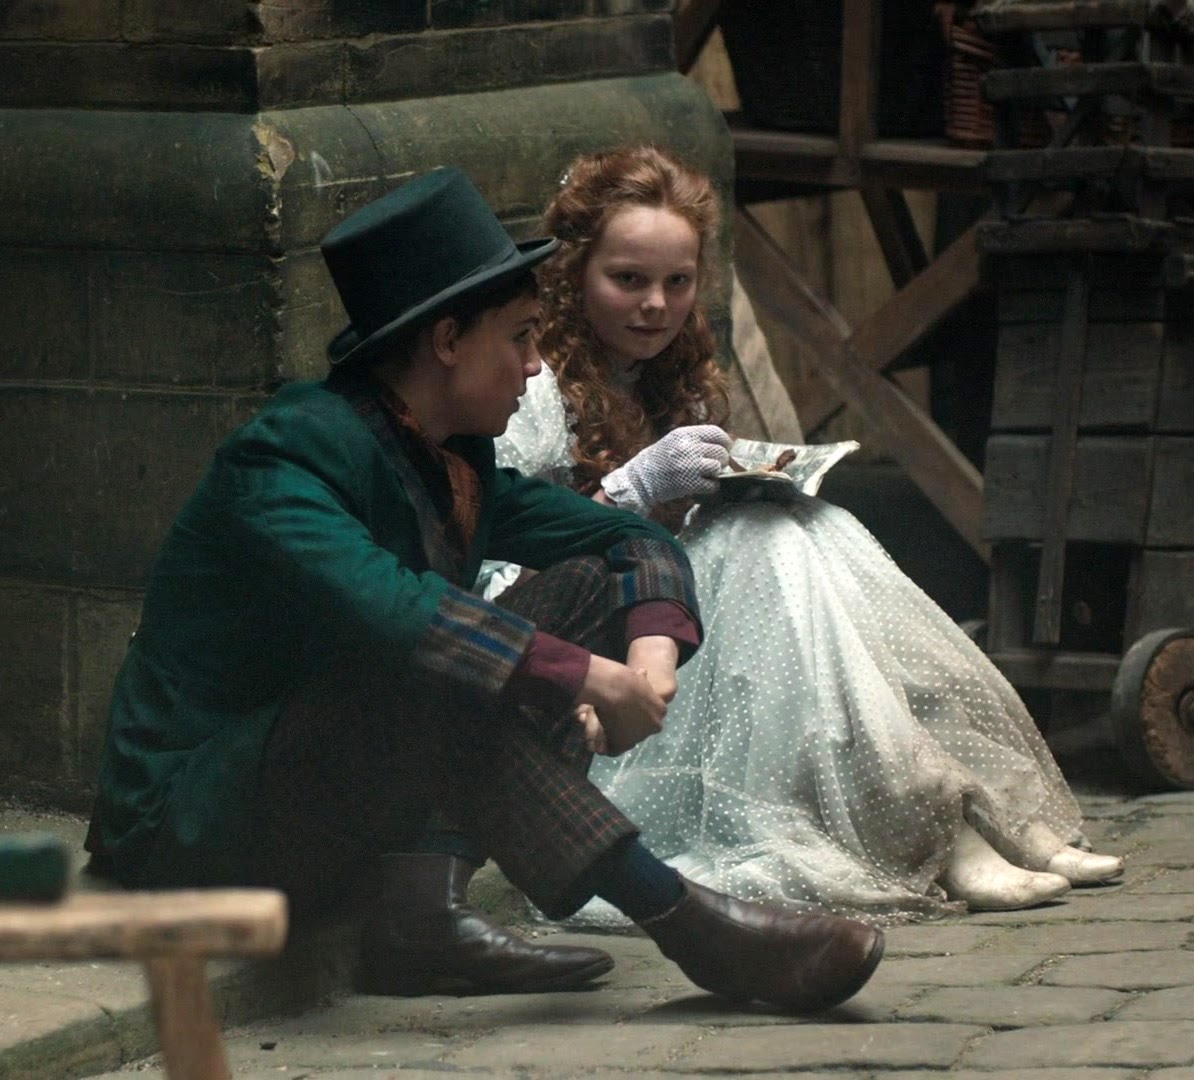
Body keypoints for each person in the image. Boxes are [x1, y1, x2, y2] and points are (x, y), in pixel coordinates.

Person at [82, 166, 885, 1013]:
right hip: (197, 822)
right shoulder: (286, 456)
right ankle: (682, 918)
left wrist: (646, 667)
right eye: (522, 338)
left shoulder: (446, 451)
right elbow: (398, 613)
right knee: (425, 661)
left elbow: (628, 539)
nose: (536, 367)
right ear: (447, 340)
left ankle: (420, 914)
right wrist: (586, 677)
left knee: (574, 589)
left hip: (337, 791)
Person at [486, 145, 1124, 922]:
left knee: (813, 529)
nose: (656, 305)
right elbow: (503, 577)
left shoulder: (669, 373)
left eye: (677, 283)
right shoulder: (534, 386)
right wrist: (634, 489)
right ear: (573, 274)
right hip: (605, 654)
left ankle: (985, 816)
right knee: (772, 548)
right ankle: (942, 827)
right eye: (628, 280)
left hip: (686, 614)